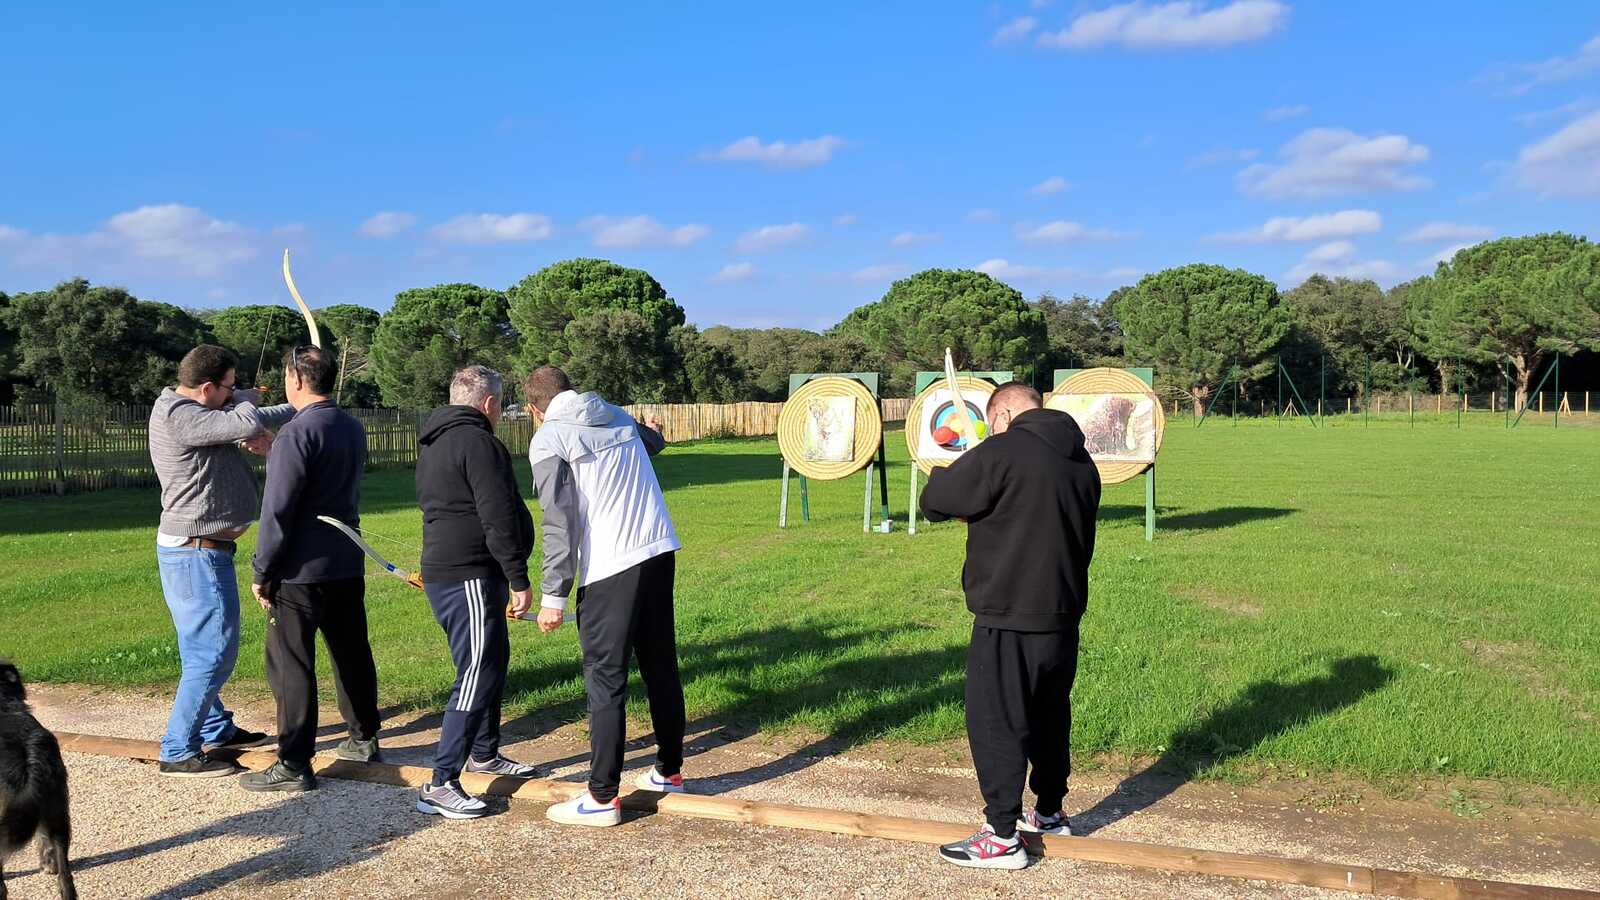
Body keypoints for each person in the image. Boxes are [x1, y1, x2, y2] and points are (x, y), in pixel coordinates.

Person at [919, 382, 1101, 870]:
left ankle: (1001, 836)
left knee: (997, 719)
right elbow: (1018, 509)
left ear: (1000, 417)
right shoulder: (1080, 459)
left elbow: (935, 500)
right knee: (1048, 715)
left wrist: (954, 466)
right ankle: (1048, 812)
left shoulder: (1002, 450)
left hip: (1008, 611)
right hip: (1062, 613)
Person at [523, 366, 686, 827]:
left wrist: (553, 596)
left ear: (536, 409)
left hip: (612, 564)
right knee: (660, 662)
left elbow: (558, 521)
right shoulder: (613, 412)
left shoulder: (548, 438)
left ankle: (601, 798)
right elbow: (650, 443)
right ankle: (669, 772)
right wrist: (654, 436)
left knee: (605, 676)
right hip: (658, 549)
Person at [148, 345, 295, 777]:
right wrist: (293, 404)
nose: (234, 392)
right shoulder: (181, 415)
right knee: (212, 652)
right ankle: (178, 750)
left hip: (197, 549)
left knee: (200, 648)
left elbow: (240, 419)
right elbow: (246, 418)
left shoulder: (196, 409)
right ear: (207, 387)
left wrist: (246, 399)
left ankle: (215, 728)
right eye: (227, 386)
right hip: (197, 552)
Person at [242, 345, 382, 792]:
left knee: (291, 663)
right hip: (344, 558)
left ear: (296, 380)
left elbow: (278, 510)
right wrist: (275, 450)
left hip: (301, 570)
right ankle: (363, 737)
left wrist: (262, 569)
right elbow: (318, 480)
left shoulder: (296, 433)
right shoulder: (349, 425)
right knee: (351, 652)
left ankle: (294, 763)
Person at [413, 365, 543, 819]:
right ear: (489, 404)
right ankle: (441, 781)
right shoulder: (477, 442)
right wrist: (519, 578)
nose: (500, 415)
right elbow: (497, 515)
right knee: (475, 670)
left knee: (491, 660)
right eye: (500, 406)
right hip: (466, 572)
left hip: (462, 570)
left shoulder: (436, 439)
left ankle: (484, 753)